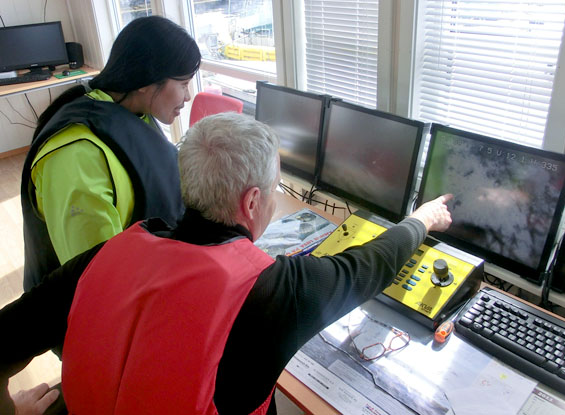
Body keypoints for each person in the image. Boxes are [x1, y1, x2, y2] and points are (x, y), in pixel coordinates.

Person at [2, 113, 453, 414]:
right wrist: (423, 219)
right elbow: (368, 266)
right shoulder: (275, 292)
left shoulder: (107, 253)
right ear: (253, 200)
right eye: (274, 189)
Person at [21, 15, 201, 291]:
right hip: (83, 317)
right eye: (183, 84)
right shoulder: (76, 156)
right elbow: (100, 280)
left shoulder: (135, 110)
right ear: (146, 81)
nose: (187, 97)